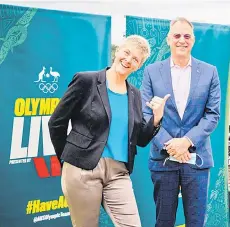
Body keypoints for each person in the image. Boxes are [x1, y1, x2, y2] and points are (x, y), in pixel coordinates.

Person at [48, 35, 170, 227]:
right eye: (126, 52)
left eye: (135, 59)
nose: (128, 60)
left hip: (118, 173)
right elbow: (56, 122)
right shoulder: (86, 81)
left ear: (138, 66)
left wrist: (156, 118)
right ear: (117, 51)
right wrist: (67, 159)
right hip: (82, 169)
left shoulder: (135, 95)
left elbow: (140, 140)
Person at [141, 17, 221, 227]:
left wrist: (186, 141)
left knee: (195, 222)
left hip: (197, 160)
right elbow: (146, 114)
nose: (182, 40)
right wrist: (172, 145)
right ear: (169, 39)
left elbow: (212, 115)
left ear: (193, 40)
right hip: (163, 159)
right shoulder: (151, 72)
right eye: (177, 35)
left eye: (187, 36)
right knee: (164, 222)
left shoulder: (209, 72)